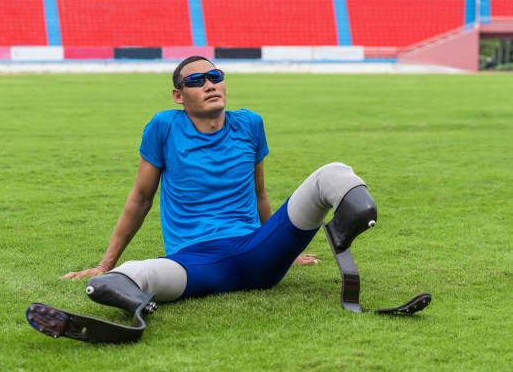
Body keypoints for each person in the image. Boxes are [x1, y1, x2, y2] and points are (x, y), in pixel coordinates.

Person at [28, 56, 377, 340]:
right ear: (178, 96)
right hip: (196, 264)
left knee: (333, 172)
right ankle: (126, 305)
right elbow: (140, 199)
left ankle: (350, 227)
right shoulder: (164, 127)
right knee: (122, 277)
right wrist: (105, 263)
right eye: (196, 80)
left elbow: (259, 194)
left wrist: (289, 249)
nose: (209, 84)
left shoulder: (250, 124)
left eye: (215, 76)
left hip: (259, 249)